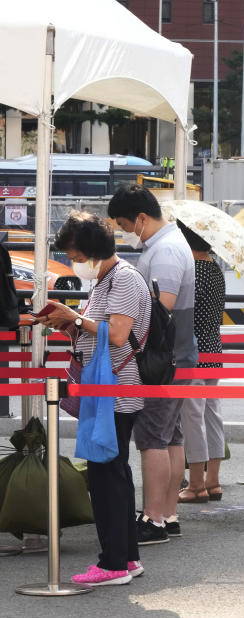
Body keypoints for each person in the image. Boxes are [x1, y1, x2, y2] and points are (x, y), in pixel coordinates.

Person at [38, 212, 150, 586]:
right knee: (113, 472)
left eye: (77, 255)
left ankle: (113, 562)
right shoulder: (106, 281)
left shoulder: (123, 280)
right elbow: (100, 332)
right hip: (106, 387)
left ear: (92, 251)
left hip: (114, 389)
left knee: (105, 476)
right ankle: (126, 558)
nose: (76, 262)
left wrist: (76, 318)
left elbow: (117, 335)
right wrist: (71, 324)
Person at [107, 185, 198, 545]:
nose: (127, 233)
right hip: (176, 356)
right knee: (171, 437)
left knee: (152, 439)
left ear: (142, 218)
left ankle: (154, 518)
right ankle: (168, 513)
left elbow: (163, 305)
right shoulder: (170, 245)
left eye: (127, 225)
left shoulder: (166, 251)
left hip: (162, 360)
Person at [175, 220, 226, 504]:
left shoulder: (191, 271)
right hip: (213, 347)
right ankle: (213, 481)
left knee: (192, 416)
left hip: (192, 350)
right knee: (212, 413)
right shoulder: (216, 268)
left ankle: (195, 484)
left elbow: (183, 314)